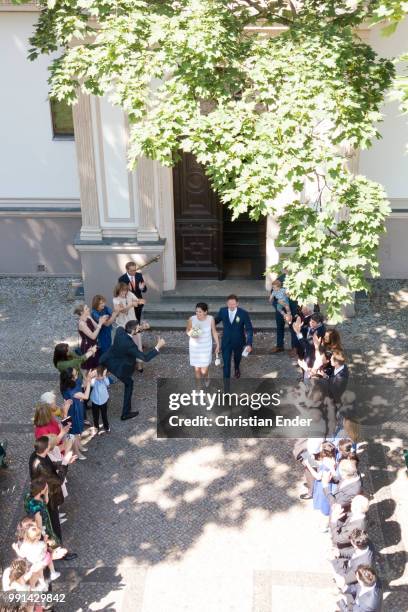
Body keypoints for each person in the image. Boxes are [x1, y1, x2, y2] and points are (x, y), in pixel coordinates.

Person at [100, 320, 165, 420]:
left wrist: (142, 328)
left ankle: (86, 402)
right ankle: (125, 413)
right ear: (133, 331)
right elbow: (145, 358)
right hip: (119, 368)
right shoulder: (130, 345)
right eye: (138, 328)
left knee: (94, 379)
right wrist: (157, 346)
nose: (139, 329)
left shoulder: (120, 331)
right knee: (129, 384)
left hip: (107, 360)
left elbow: (129, 329)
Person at [28, 437, 76, 556]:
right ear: (46, 448)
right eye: (50, 445)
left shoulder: (36, 455)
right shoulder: (41, 465)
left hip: (44, 494)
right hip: (47, 497)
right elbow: (58, 480)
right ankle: (59, 551)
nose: (52, 446)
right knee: (53, 525)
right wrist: (64, 462)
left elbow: (51, 465)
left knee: (52, 524)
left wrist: (63, 463)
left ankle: (55, 550)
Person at [215, 295, 253, 379]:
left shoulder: (243, 313)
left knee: (237, 358)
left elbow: (249, 329)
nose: (231, 306)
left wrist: (249, 343)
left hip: (239, 341)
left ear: (237, 304)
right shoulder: (223, 311)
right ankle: (226, 386)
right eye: (229, 304)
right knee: (226, 364)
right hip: (226, 341)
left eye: (233, 304)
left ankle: (236, 368)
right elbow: (215, 321)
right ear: (227, 303)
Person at [60, 368, 95, 459]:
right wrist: (89, 380)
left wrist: (87, 379)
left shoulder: (69, 382)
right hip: (73, 412)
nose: (77, 375)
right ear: (71, 378)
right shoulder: (71, 391)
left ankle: (79, 446)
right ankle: (77, 452)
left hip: (77, 408)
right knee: (74, 433)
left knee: (78, 432)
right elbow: (86, 396)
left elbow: (81, 384)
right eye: (76, 374)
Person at [113, 282, 145, 372]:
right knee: (125, 346)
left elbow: (138, 301)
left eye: (126, 290)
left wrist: (139, 301)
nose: (124, 293)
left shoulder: (130, 294)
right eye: (122, 291)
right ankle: (127, 364)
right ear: (118, 290)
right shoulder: (115, 300)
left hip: (134, 323)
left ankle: (139, 364)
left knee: (138, 344)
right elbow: (123, 311)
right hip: (123, 325)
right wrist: (131, 304)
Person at [186, 302, 220, 383]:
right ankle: (198, 388)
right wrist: (192, 334)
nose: (198, 313)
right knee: (197, 370)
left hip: (206, 347)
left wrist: (218, 344)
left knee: (204, 371)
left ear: (205, 312)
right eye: (196, 311)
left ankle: (207, 375)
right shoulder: (192, 319)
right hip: (195, 347)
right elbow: (187, 330)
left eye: (200, 311)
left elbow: (214, 332)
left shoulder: (211, 319)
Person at [24, 478, 61, 545]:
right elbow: (39, 527)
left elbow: (45, 502)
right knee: (54, 543)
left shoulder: (31, 495)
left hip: (44, 523)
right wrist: (45, 538)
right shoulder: (36, 509)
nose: (47, 487)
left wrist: (46, 493)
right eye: (45, 487)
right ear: (41, 490)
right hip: (45, 528)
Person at [74, 304, 108, 371]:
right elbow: (93, 336)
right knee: (90, 368)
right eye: (86, 308)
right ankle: (89, 380)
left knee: (96, 365)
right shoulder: (82, 324)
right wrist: (100, 324)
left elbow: (96, 327)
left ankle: (96, 379)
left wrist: (101, 320)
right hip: (88, 346)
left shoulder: (88, 317)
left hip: (94, 344)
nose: (89, 309)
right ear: (81, 312)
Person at [90, 365, 111, 434]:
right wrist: (94, 377)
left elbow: (108, 383)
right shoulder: (94, 380)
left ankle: (106, 426)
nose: (99, 377)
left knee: (104, 415)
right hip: (95, 401)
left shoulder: (105, 379)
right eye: (97, 375)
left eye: (100, 375)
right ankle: (96, 426)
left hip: (103, 401)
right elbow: (91, 384)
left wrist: (104, 377)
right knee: (95, 415)